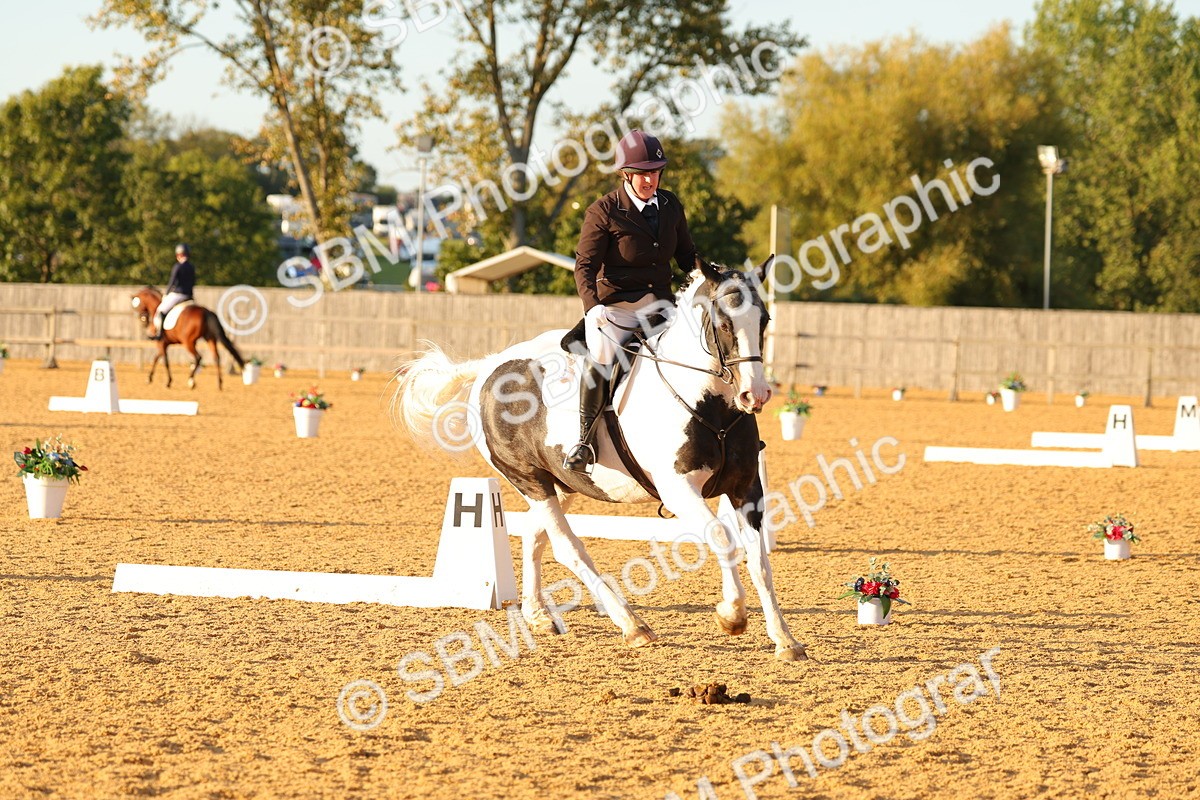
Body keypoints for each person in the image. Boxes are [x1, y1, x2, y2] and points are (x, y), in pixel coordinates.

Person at [563, 129, 699, 472]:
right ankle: (585, 441)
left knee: (704, 346)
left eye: (654, 172)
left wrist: (714, 275)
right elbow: (585, 265)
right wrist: (592, 306)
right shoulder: (604, 211)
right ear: (626, 174)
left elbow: (686, 256)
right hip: (618, 306)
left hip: (662, 305)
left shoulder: (670, 206)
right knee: (602, 355)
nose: (649, 179)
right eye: (642, 173)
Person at [151, 243, 196, 340]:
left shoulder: (177, 266)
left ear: (178, 255)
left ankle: (159, 333)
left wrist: (166, 294)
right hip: (188, 295)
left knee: (161, 310)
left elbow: (172, 281)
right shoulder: (192, 267)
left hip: (178, 294)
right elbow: (193, 282)